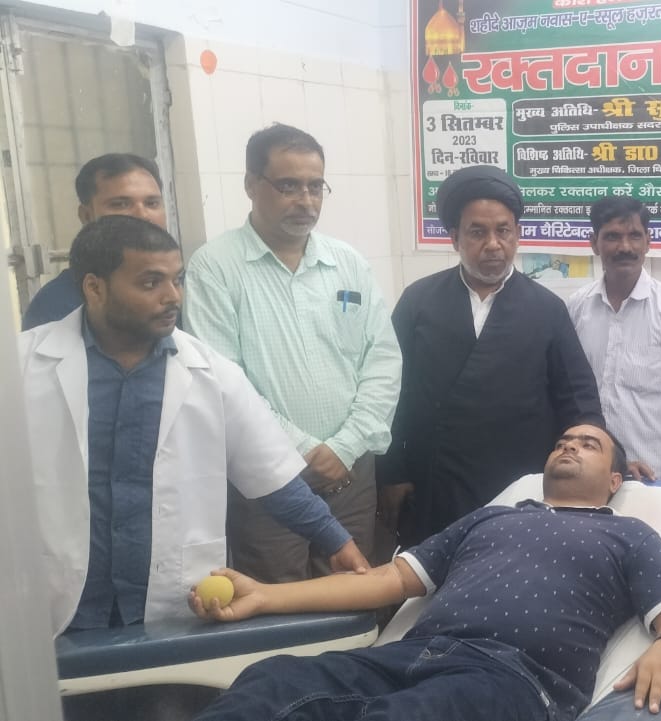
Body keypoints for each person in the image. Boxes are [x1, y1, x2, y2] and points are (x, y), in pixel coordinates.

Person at [190, 423, 661, 721]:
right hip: (406, 657)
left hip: (513, 678)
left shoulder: (629, 534)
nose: (569, 446)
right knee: (269, 683)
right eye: (563, 441)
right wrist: (264, 596)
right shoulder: (491, 518)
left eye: (588, 444)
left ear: (614, 480)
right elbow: (385, 580)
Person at [17, 215, 368, 639]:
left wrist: (336, 542)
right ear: (95, 287)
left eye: (177, 279)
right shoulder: (19, 366)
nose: (173, 297)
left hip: (169, 607)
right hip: (56, 606)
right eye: (151, 283)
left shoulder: (212, 373)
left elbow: (274, 479)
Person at [184, 124, 401, 582]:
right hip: (267, 480)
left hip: (350, 473)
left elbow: (383, 361)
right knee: (275, 602)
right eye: (288, 186)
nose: (306, 201)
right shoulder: (215, 267)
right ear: (250, 184)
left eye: (315, 186)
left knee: (350, 596)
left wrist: (344, 446)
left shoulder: (347, 263)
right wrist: (301, 449)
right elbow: (222, 378)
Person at [378, 165, 602, 546]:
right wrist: (391, 473)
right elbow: (388, 393)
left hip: (519, 486)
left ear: (517, 235)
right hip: (434, 483)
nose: (493, 244)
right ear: (455, 238)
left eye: (503, 231)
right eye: (478, 232)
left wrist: (602, 459)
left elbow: (578, 400)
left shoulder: (547, 309)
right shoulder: (419, 301)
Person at [567, 196, 661, 485]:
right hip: (590, 473)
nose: (625, 247)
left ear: (648, 241)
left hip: (653, 475)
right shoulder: (576, 307)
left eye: (634, 236)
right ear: (594, 243)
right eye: (612, 237)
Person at [22, 152, 167, 330]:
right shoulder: (55, 306)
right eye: (121, 204)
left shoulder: (186, 287)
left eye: (152, 203)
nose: (142, 216)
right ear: (87, 216)